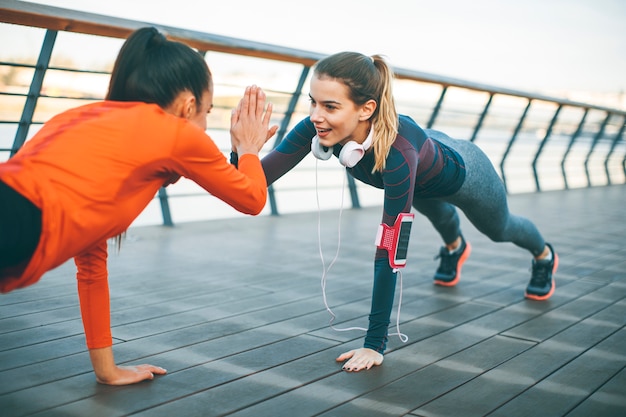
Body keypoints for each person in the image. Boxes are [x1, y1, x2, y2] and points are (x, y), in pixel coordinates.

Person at [0, 27, 277, 385]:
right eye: (207, 111)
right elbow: (252, 198)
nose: (205, 123)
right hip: (16, 222)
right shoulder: (177, 133)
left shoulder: (81, 120)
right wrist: (249, 149)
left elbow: (91, 264)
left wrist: (107, 371)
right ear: (188, 106)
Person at [257, 51, 558, 373]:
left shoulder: (397, 156)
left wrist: (374, 345)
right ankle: (455, 248)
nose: (316, 115)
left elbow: (389, 249)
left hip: (465, 173)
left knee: (501, 229)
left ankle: (544, 256)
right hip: (423, 170)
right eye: (312, 102)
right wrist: (243, 149)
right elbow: (254, 184)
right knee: (440, 216)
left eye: (330, 106)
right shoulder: (317, 128)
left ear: (366, 109)